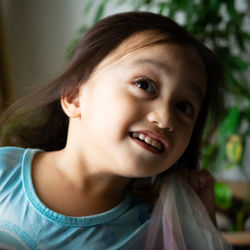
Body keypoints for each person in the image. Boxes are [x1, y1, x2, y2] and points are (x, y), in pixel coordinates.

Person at [0, 11, 231, 249]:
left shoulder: (154, 230)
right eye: (145, 85)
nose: (165, 118)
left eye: (183, 107)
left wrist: (197, 223)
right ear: (74, 96)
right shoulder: (4, 173)